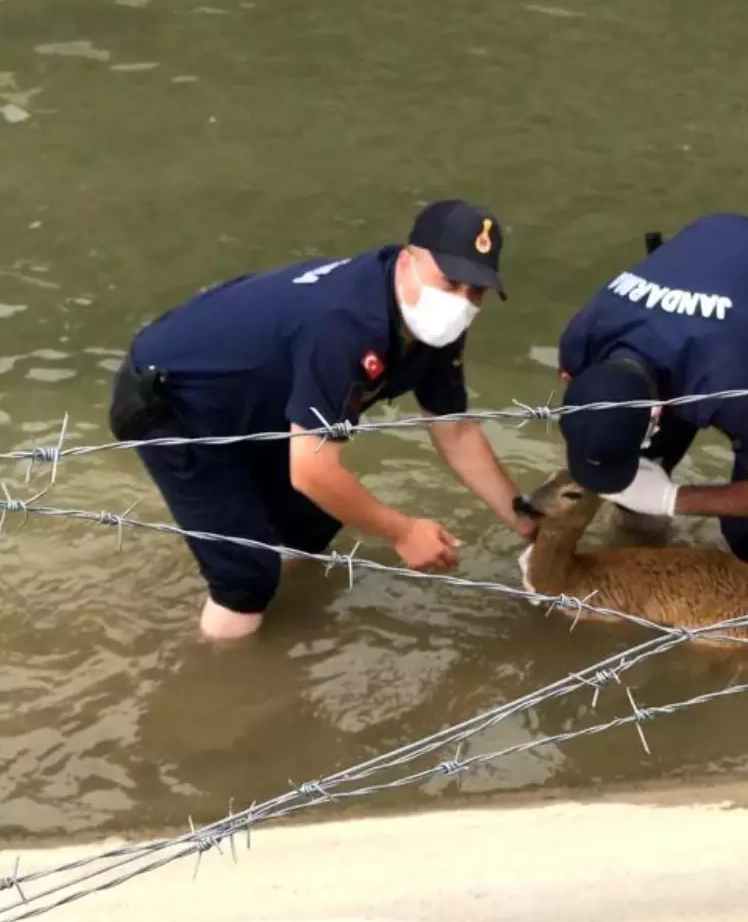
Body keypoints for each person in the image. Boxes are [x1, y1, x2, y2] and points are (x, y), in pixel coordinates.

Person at [108, 199, 535, 641]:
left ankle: (298, 633)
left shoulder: (435, 328)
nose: (460, 303)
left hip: (264, 400)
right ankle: (222, 683)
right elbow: (312, 471)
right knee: (246, 577)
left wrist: (529, 524)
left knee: (312, 525)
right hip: (177, 403)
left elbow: (457, 431)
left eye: (476, 292)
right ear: (408, 260)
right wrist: (404, 532)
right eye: (450, 281)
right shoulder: (347, 322)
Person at [554, 213, 748, 588]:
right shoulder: (579, 341)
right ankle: (645, 570)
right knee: (634, 470)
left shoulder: (722, 385)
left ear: (658, 411)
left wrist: (671, 499)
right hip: (713, 253)